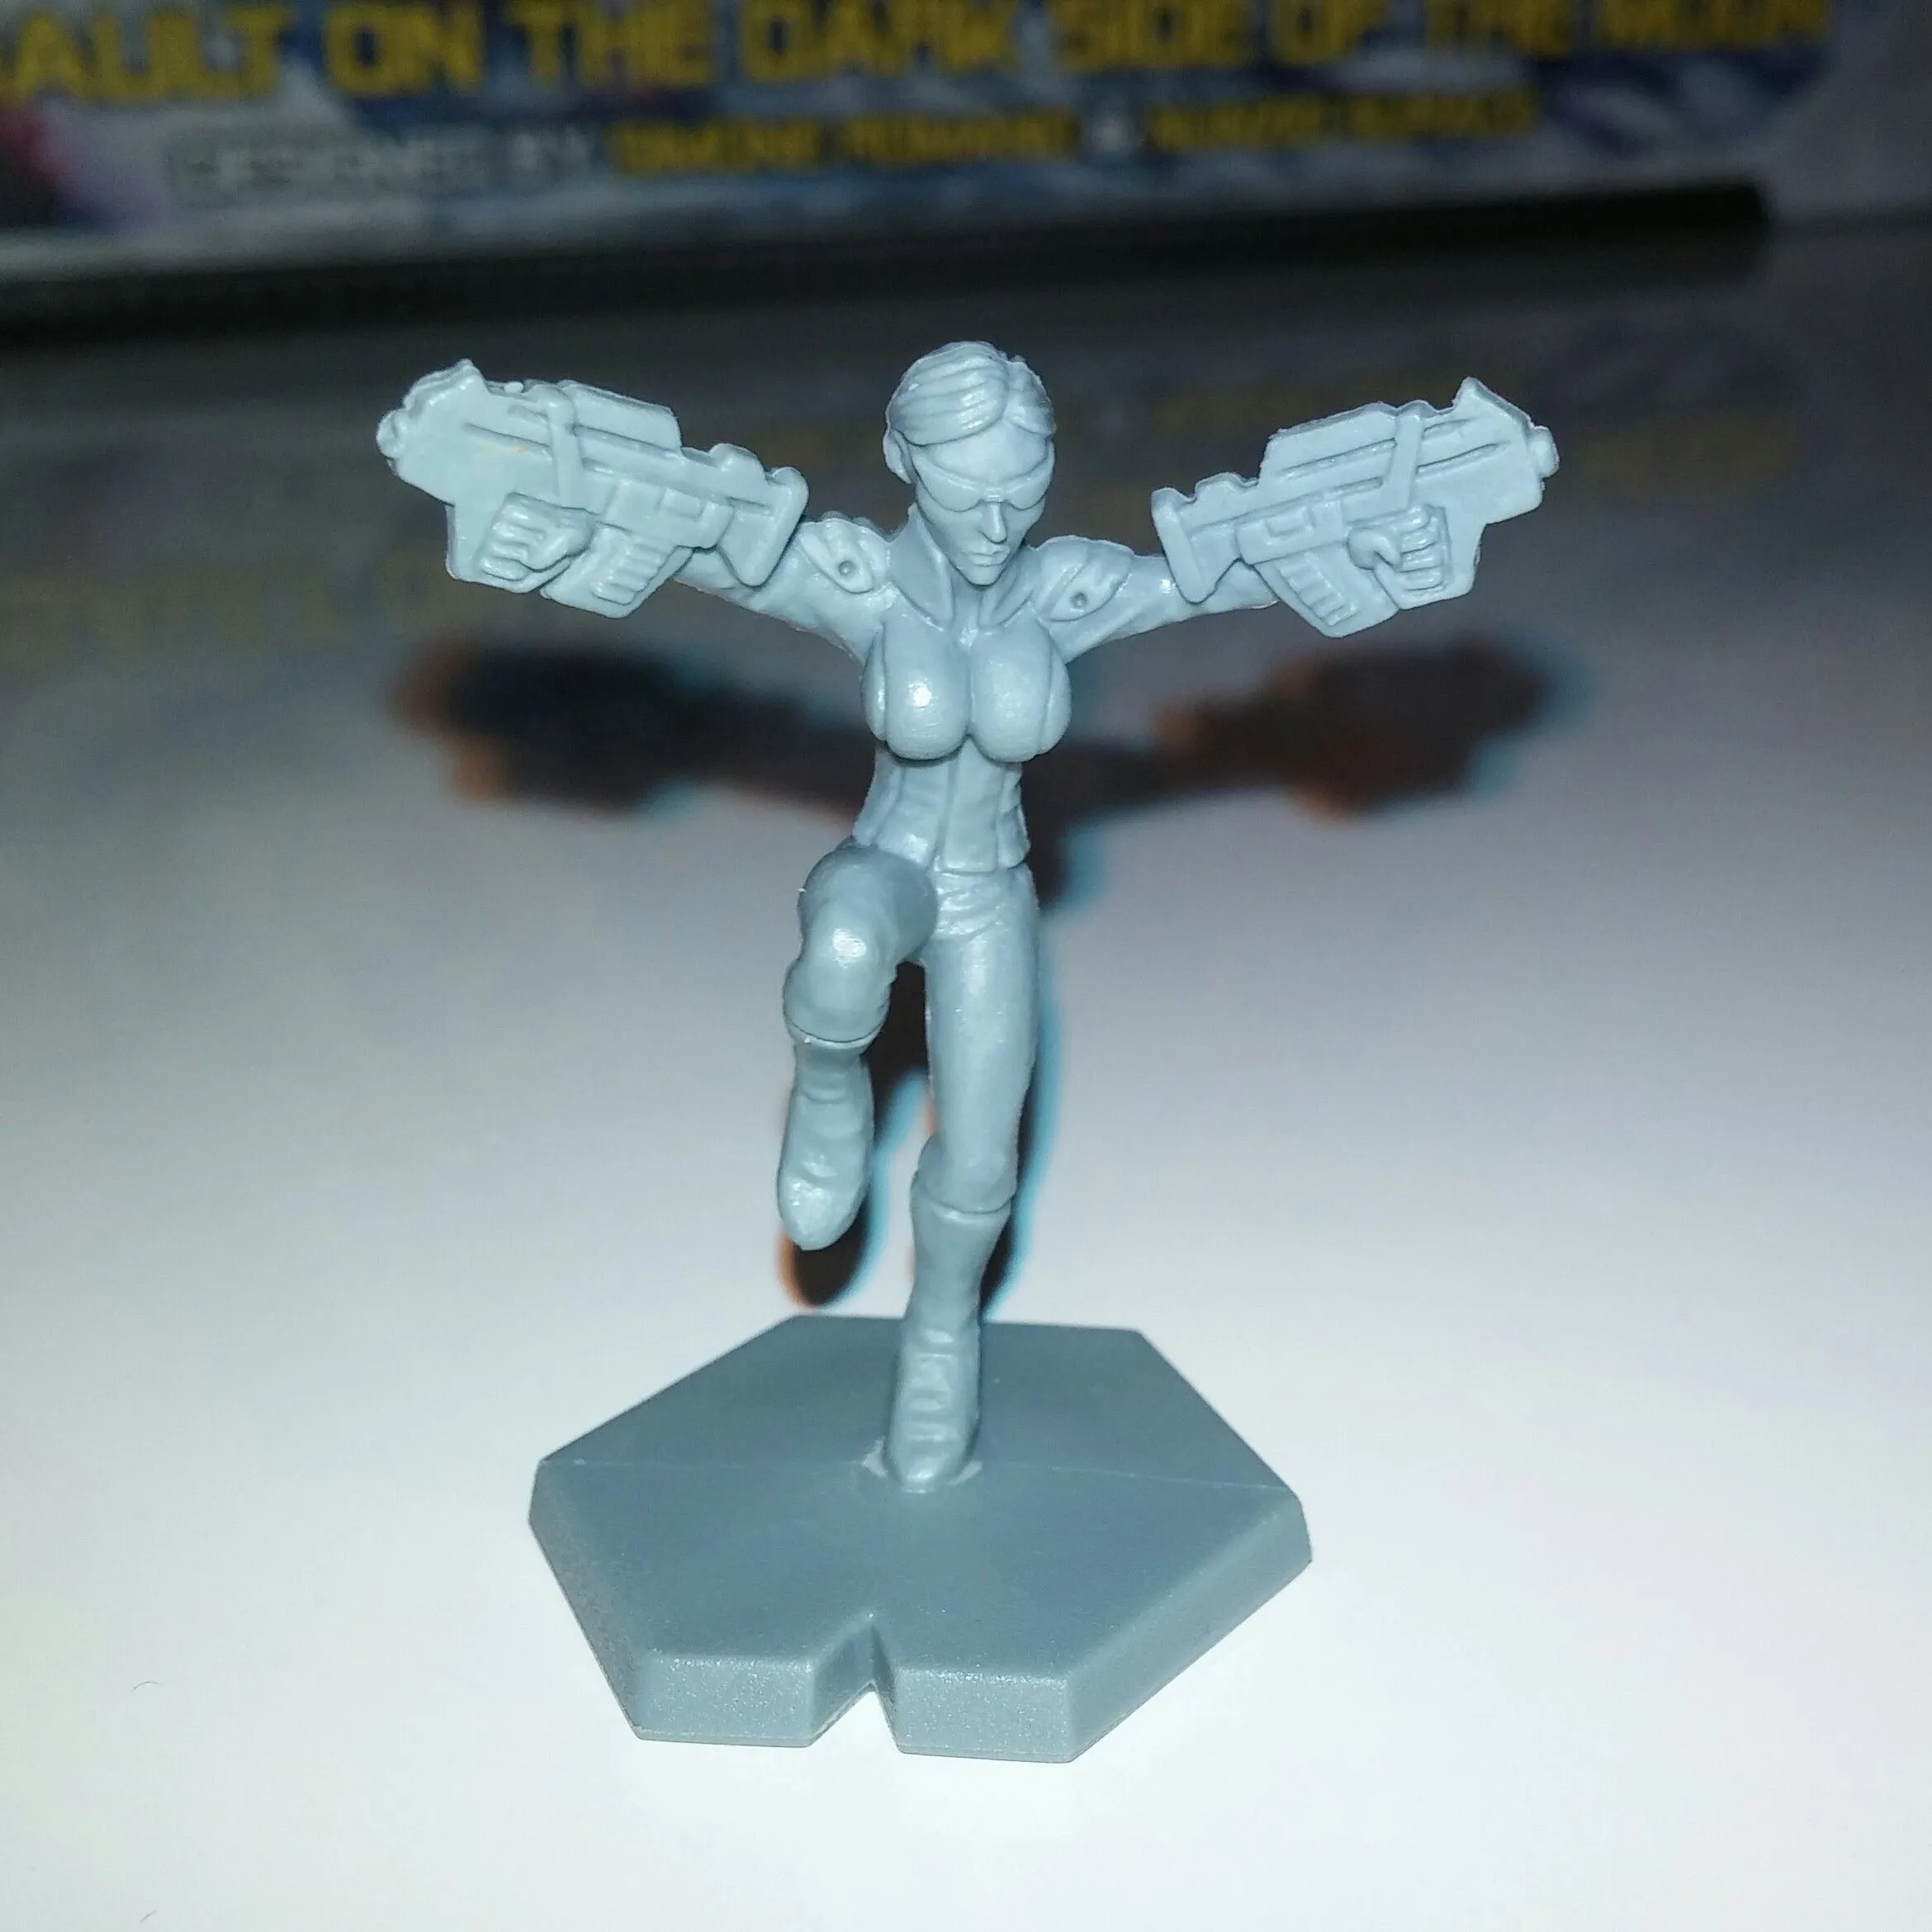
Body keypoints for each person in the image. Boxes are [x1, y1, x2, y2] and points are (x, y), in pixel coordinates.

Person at [437, 338, 1462, 1489]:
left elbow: (1222, 571)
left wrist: (1371, 544)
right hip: (889, 864)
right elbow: (704, 545)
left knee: (980, 1165)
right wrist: (564, 526)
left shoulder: (1064, 590)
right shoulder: (856, 578)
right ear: (904, 461)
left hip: (990, 892)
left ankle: (940, 1339)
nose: (998, 518)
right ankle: (830, 1089)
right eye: (969, 489)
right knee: (842, 944)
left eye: (1024, 485)